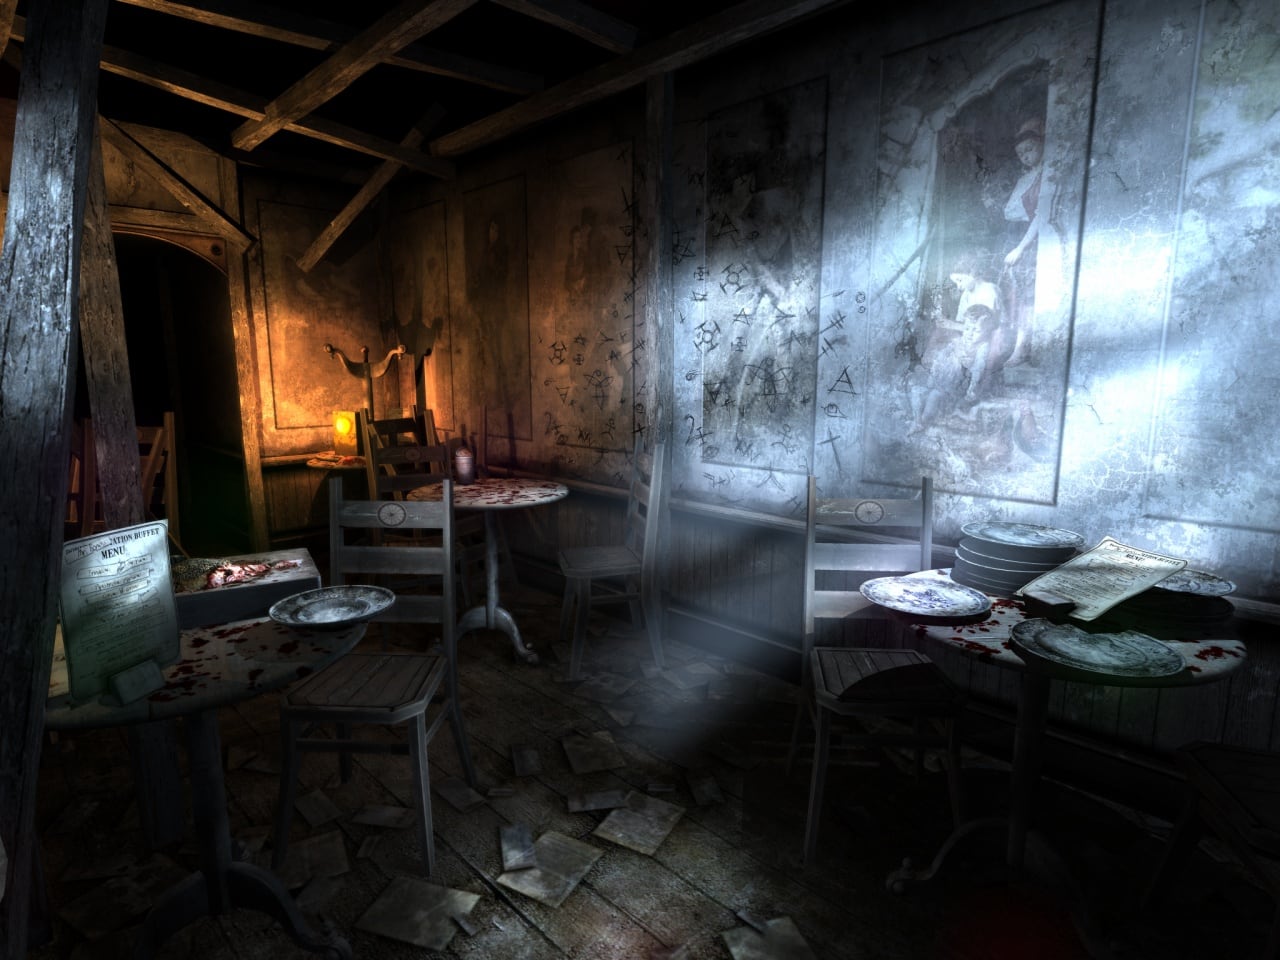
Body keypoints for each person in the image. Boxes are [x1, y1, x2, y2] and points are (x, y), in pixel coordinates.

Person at [1001, 117, 1052, 365]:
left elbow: (1041, 215)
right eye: (1021, 153)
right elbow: (1008, 211)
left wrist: (1020, 248)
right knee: (1015, 297)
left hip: (1030, 242)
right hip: (1015, 237)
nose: (1026, 156)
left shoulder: (1046, 175)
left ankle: (1024, 348)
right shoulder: (1026, 178)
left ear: (1042, 144)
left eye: (1030, 149)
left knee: (1028, 297)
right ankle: (1015, 345)